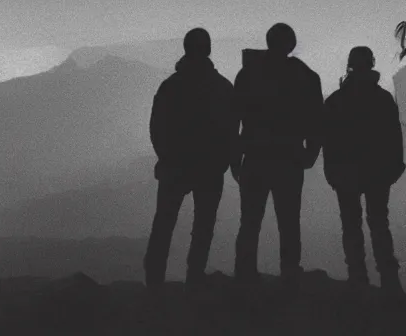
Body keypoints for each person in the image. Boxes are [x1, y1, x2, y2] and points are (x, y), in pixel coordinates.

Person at [232, 23, 324, 293]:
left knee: (249, 220)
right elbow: (317, 120)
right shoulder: (305, 76)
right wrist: (311, 152)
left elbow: (234, 119)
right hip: (289, 157)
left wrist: (234, 157)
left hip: (255, 157)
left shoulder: (247, 73)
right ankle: (290, 275)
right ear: (291, 45)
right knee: (289, 221)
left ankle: (245, 276)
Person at [144, 28, 238, 290]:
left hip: (174, 167)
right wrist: (225, 162)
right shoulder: (222, 87)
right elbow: (232, 129)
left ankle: (154, 286)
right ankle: (194, 282)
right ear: (208, 50)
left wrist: (167, 157)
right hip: (209, 169)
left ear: (185, 49)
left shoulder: (170, 86)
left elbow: (156, 128)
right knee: (203, 227)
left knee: (163, 225)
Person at [322, 46, 405, 296]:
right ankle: (390, 283)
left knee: (351, 225)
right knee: (379, 223)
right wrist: (395, 168)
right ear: (371, 64)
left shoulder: (336, 100)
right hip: (378, 172)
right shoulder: (382, 98)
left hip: (346, 172)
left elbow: (329, 140)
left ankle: (358, 280)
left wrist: (331, 171)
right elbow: (394, 136)